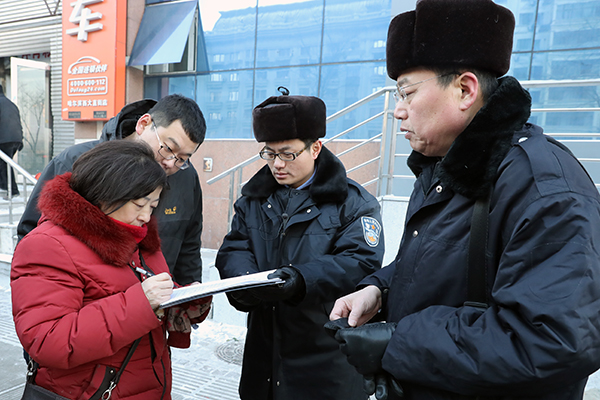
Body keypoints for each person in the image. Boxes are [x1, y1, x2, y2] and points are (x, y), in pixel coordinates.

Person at [326, 1, 600, 399]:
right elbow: (437, 262)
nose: (397, 111)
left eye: (407, 92)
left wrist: (397, 342)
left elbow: (552, 339)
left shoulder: (543, 186)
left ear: (465, 90)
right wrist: (379, 290)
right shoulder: (442, 168)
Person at [215, 91, 385, 400]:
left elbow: (359, 262)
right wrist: (245, 282)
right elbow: (235, 247)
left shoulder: (353, 203)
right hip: (263, 359)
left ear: (315, 148)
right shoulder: (253, 200)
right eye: (269, 154)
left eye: (288, 154)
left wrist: (300, 280)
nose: (277, 164)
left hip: (326, 362)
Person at [11, 140, 211, 400]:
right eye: (139, 205)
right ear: (107, 194)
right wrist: (141, 303)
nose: (146, 217)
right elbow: (48, 341)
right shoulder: (47, 245)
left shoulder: (139, 237)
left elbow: (141, 292)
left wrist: (182, 300)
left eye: (152, 207)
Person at [17, 94, 205, 285]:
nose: (170, 163)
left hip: (160, 300)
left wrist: (191, 296)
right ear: (143, 124)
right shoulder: (76, 163)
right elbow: (32, 236)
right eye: (168, 148)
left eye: (182, 159)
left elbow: (188, 249)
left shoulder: (186, 178)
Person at [0, 83, 24, 198]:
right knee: (5, 164)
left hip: (4, 139)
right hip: (15, 139)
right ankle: (9, 189)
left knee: (3, 165)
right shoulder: (10, 104)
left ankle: (9, 190)